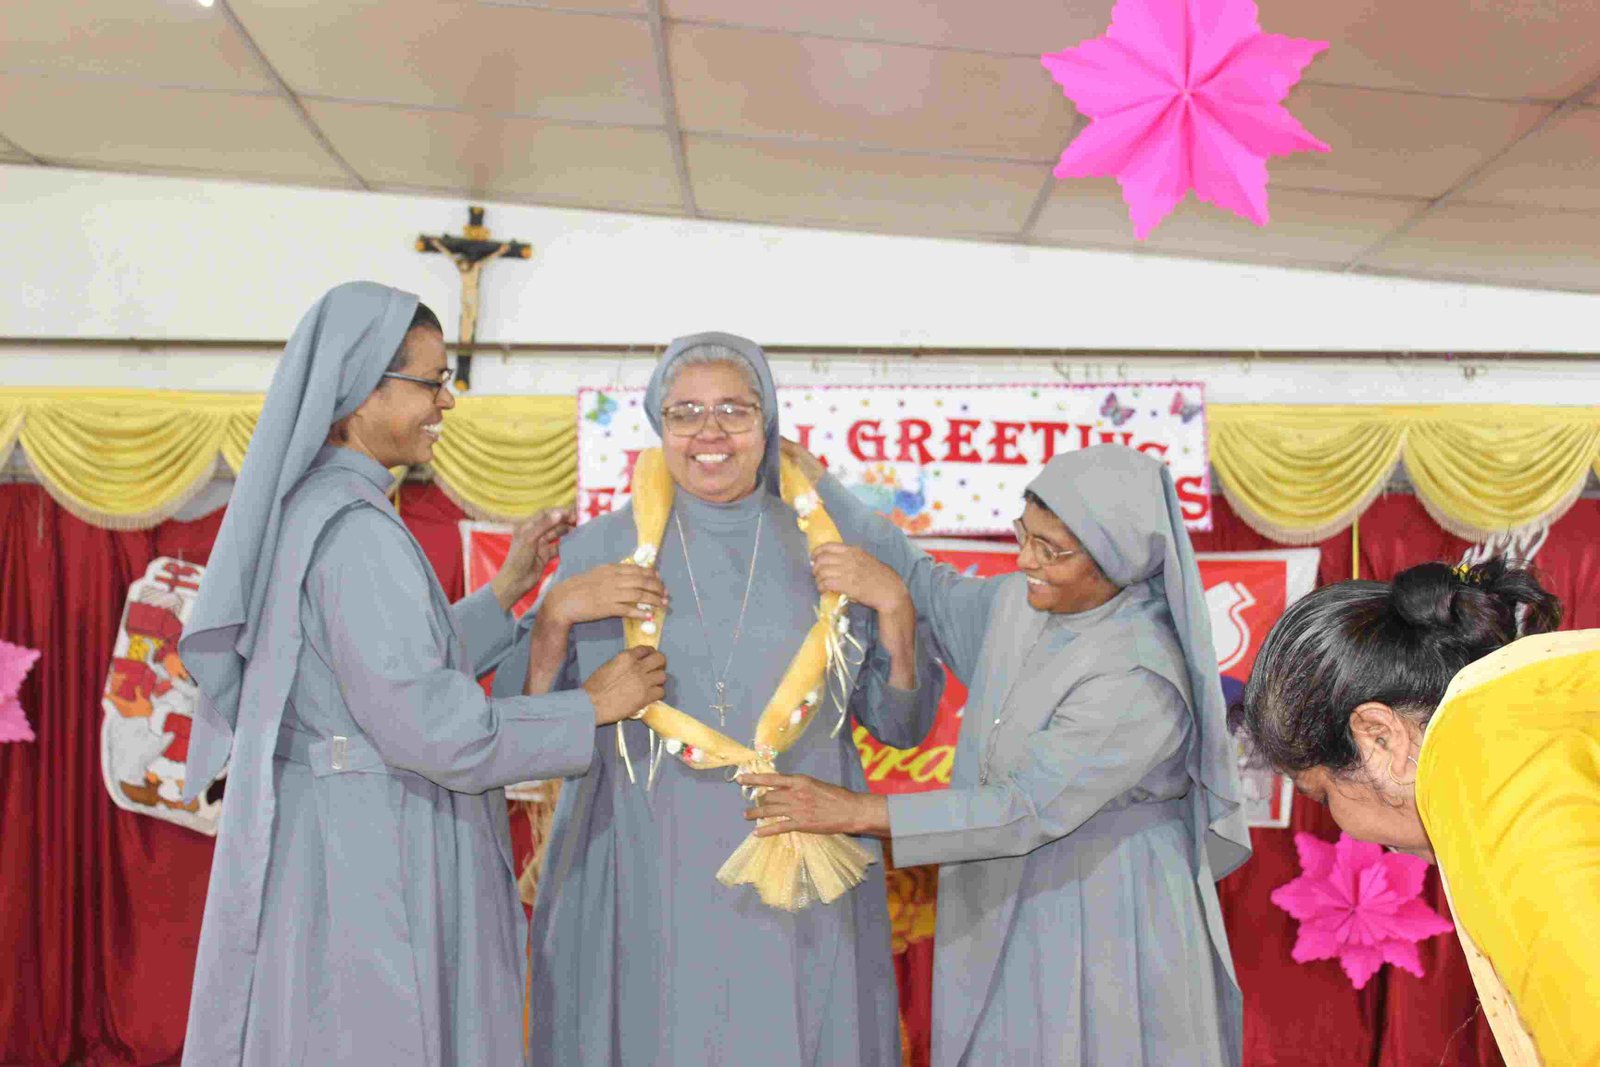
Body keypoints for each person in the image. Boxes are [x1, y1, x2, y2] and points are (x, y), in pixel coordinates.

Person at [177, 281, 665, 1065]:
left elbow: (374, 673)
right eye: (432, 381)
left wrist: (504, 593)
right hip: (373, 851)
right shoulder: (357, 533)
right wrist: (591, 706)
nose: (447, 401)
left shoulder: (322, 506)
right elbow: (436, 730)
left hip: (339, 832)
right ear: (361, 387)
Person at [489, 332, 943, 1066]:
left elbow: (901, 725)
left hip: (794, 868)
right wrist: (552, 619)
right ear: (658, 422)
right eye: (686, 412)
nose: (710, 432)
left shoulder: (830, 547)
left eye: (734, 410)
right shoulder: (599, 550)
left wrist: (894, 608)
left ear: (767, 422)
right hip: (638, 864)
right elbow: (516, 735)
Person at [747, 442, 1252, 1066]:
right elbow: (923, 584)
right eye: (1025, 534)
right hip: (1010, 883)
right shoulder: (1022, 602)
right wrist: (823, 488)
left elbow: (1023, 809)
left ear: (1117, 560)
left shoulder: (1140, 674)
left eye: (1051, 550)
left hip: (1107, 907)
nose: (1024, 559)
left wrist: (854, 812)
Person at [1231, 557, 1596, 1066]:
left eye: (1323, 796)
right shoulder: (1545, 695)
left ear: (1379, 737)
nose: (1343, 827)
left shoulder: (1485, 771)